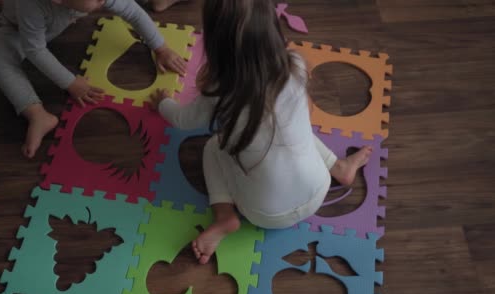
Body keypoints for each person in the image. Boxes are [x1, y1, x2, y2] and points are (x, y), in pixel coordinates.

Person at [150, 0, 372, 265]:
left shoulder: (218, 91)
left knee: (213, 147)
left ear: (215, 45)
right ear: (273, 32)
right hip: (318, 188)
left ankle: (224, 216)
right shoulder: (296, 67)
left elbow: (183, 120)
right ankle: (339, 167)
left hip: (265, 214)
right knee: (293, 130)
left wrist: (163, 103)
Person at [0, 0, 187, 158]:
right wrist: (70, 82)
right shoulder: (31, 5)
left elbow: (133, 12)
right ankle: (36, 114)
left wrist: (161, 48)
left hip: (56, 21)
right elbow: (35, 49)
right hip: (17, 30)